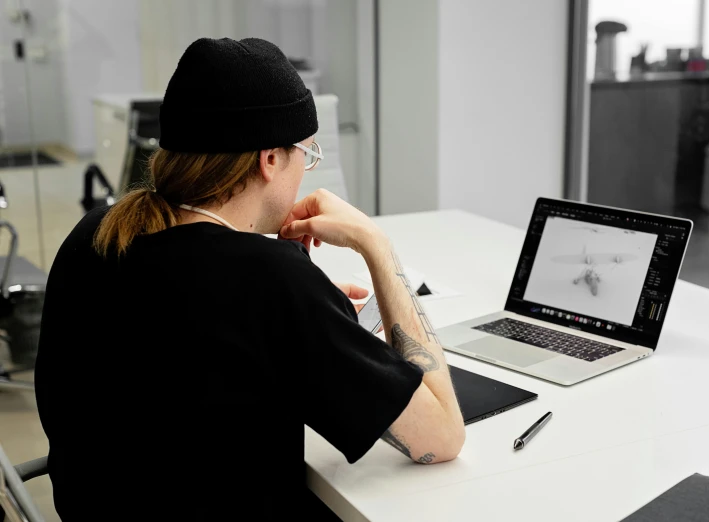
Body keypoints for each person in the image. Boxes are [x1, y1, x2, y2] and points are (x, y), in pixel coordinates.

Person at [35, 37, 464, 520]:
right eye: (308, 150)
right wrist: (376, 245)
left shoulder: (96, 232)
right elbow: (443, 436)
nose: (307, 165)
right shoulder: (268, 280)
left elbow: (194, 345)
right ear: (270, 159)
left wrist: (309, 311)